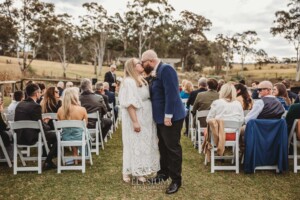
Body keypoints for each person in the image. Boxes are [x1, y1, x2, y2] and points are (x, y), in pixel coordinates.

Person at [142, 50, 185, 194]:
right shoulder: (155, 72)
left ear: (150, 60)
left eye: (143, 62)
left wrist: (168, 115)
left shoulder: (166, 69)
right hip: (160, 118)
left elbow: (171, 93)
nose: (142, 65)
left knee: (173, 148)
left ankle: (176, 180)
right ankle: (163, 173)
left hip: (171, 117)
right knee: (163, 147)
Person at [119, 58, 160, 183]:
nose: (141, 64)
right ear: (132, 67)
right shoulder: (128, 82)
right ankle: (127, 171)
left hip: (146, 115)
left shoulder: (141, 79)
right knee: (133, 143)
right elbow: (130, 104)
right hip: (136, 116)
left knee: (143, 143)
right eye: (138, 63)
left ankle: (139, 171)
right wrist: (135, 121)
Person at [14, 83, 57, 170]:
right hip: (31, 137)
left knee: (47, 135)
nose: (41, 94)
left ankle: (46, 157)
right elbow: (41, 127)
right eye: (40, 92)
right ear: (37, 93)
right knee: (58, 136)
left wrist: (42, 123)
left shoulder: (19, 105)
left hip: (19, 137)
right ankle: (48, 161)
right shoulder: (36, 106)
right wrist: (47, 123)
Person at [57, 87, 88, 162]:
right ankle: (83, 155)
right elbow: (85, 125)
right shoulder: (82, 109)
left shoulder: (60, 110)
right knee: (82, 132)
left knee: (71, 131)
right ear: (75, 97)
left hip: (65, 138)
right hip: (80, 137)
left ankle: (75, 154)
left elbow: (59, 125)